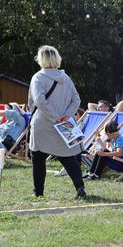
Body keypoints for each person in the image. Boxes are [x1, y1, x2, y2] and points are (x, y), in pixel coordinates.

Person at [28, 45, 86, 198]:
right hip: (64, 123)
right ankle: (80, 187)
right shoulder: (66, 78)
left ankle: (38, 192)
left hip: (43, 123)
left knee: (38, 159)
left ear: (41, 59)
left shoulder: (38, 77)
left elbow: (39, 101)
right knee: (68, 157)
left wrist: (55, 117)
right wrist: (65, 116)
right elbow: (76, 100)